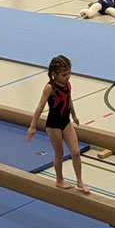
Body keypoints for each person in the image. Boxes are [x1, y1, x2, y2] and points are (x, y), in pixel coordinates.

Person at [27, 55, 89, 193]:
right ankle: (59, 180)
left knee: (76, 152)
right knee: (59, 153)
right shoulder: (50, 87)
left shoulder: (68, 85)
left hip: (65, 122)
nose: (67, 77)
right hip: (53, 124)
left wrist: (74, 115)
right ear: (54, 74)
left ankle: (80, 181)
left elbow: (69, 100)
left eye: (69, 73)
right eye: (64, 75)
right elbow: (40, 107)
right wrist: (32, 126)